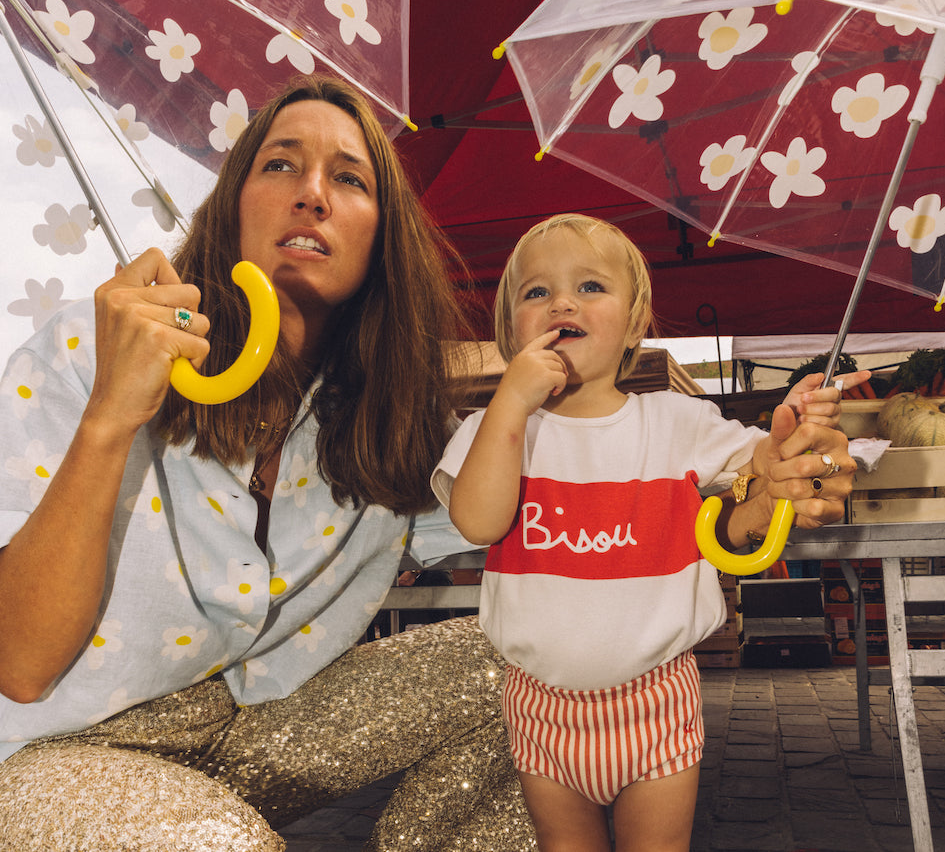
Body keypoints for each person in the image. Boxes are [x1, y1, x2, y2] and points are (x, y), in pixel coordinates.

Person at [0, 75, 537, 852]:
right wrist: (111, 415)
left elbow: (556, 497)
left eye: (348, 177)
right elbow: (18, 664)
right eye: (281, 165)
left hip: (242, 734)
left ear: (382, 238)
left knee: (541, 661)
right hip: (46, 755)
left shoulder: (383, 419)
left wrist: (749, 489)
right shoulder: (91, 348)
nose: (312, 193)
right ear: (233, 209)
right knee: (217, 843)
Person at [431, 213, 864, 852]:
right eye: (536, 293)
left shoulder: (677, 421)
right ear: (509, 331)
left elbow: (759, 468)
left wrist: (791, 438)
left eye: (591, 287)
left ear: (636, 321)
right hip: (539, 707)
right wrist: (510, 404)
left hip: (656, 700)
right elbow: (478, 520)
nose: (563, 302)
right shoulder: (493, 430)